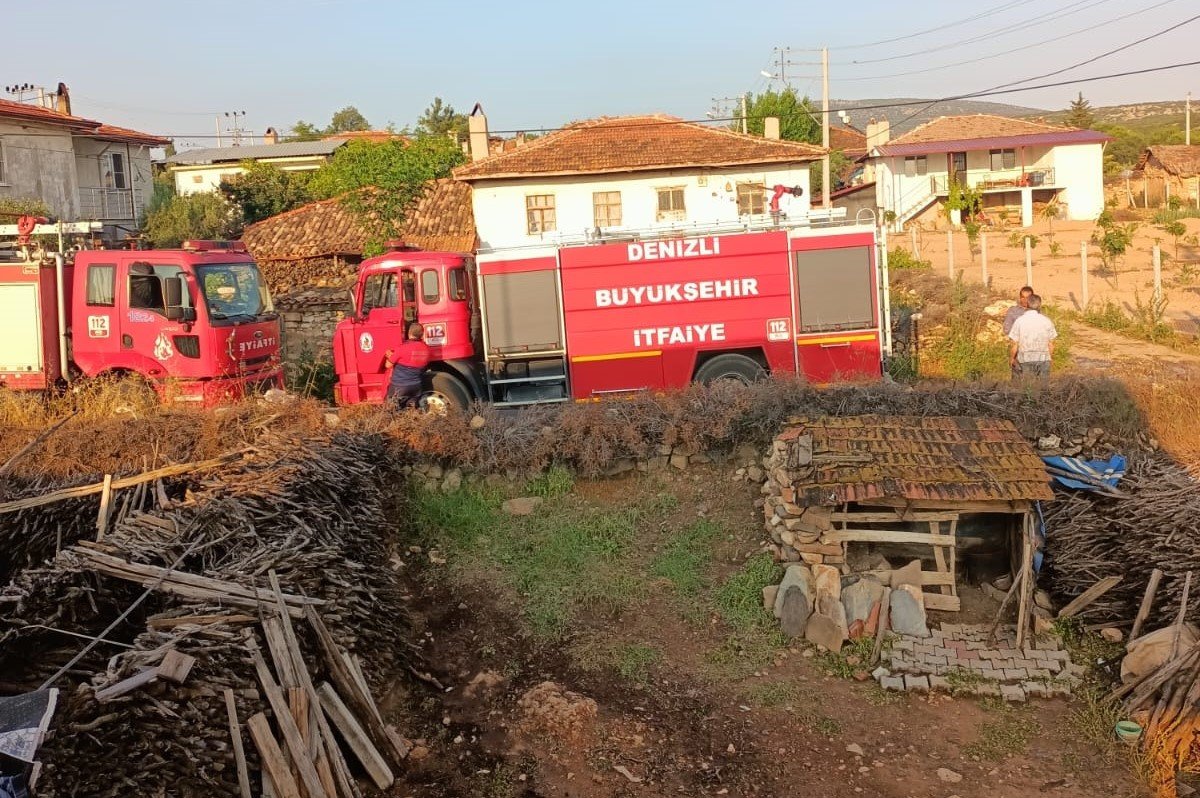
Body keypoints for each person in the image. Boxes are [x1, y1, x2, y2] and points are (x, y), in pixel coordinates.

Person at [1008, 294, 1057, 380]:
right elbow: (1051, 344)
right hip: (1044, 359)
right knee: (1043, 388)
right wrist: (1050, 358)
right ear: (1040, 305)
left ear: (1027, 304)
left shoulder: (1020, 321)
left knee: (1026, 387)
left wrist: (1012, 358)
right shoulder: (1047, 321)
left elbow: (1014, 344)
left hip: (1025, 359)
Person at [384, 323, 431, 408]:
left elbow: (388, 365)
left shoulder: (402, 348)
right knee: (411, 411)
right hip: (416, 388)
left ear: (409, 333)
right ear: (422, 334)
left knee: (391, 410)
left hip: (399, 387)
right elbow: (413, 361)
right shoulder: (426, 349)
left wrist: (390, 356)